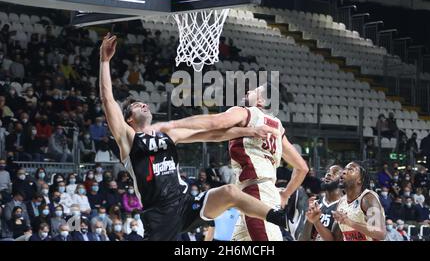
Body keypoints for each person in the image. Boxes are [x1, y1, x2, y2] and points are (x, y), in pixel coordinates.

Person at [99, 33, 293, 241]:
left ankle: (279, 218)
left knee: (230, 192)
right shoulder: (128, 140)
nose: (144, 104)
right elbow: (108, 99)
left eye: (144, 103)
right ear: (128, 119)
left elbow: (210, 134)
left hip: (184, 204)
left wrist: (248, 131)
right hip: (159, 213)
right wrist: (104, 61)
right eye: (138, 105)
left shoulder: (168, 135)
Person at [160, 81, 309, 241]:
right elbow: (302, 168)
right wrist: (285, 195)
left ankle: (292, 220)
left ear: (261, 101)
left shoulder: (247, 112)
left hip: (255, 192)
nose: (247, 92)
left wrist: (172, 125)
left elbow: (214, 123)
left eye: (253, 91)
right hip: (258, 196)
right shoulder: (277, 127)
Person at [306, 162, 386, 241]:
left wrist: (350, 222)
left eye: (350, 169)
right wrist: (316, 221)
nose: (344, 172)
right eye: (344, 169)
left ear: (360, 180)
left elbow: (380, 233)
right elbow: (334, 239)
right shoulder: (342, 203)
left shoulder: (368, 198)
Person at [304, 165, 343, 241]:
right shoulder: (316, 204)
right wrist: (309, 220)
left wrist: (316, 221)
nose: (328, 174)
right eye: (328, 172)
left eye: (335, 173)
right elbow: (304, 238)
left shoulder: (344, 206)